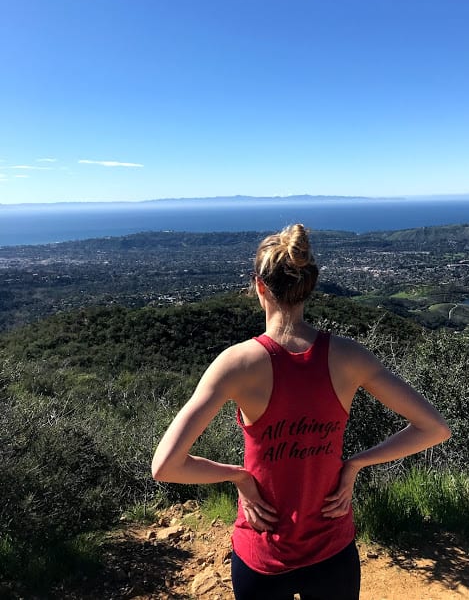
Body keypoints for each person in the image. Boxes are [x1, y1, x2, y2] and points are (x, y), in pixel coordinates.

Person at [152, 224, 451, 600]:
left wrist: (239, 477)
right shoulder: (349, 357)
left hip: (262, 550)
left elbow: (165, 465)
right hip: (332, 552)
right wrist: (355, 463)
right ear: (311, 284)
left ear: (259, 286)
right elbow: (435, 428)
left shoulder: (236, 365)